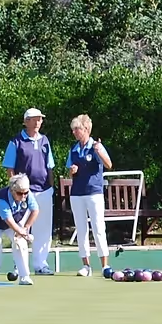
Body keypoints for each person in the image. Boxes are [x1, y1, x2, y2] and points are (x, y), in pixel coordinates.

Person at [3, 107, 56, 277]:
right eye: (34, 119)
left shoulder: (45, 140)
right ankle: (19, 265)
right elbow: (9, 168)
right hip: (24, 193)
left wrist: (51, 187)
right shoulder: (16, 142)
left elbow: (50, 167)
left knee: (44, 229)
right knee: (21, 229)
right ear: (26, 121)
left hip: (44, 191)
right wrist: (14, 190)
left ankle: (41, 264)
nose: (38, 122)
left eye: (40, 119)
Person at [65, 114, 113, 276]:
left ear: (86, 129)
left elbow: (109, 164)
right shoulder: (73, 149)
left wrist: (100, 151)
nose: (74, 132)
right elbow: (70, 170)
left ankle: (105, 265)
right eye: (73, 130)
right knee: (81, 229)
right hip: (77, 194)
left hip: (94, 193)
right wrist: (72, 171)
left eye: (76, 129)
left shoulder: (96, 146)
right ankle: (86, 266)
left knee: (99, 228)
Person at [0, 173, 39, 285]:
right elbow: (9, 221)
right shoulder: (1, 200)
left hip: (13, 221)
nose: (23, 196)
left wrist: (26, 228)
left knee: (20, 243)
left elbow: (35, 211)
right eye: (20, 193)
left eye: (25, 192)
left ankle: (24, 277)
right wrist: (21, 232)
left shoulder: (27, 194)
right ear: (12, 190)